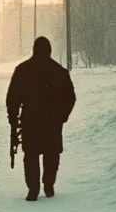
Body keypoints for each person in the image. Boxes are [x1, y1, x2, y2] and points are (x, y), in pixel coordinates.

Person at [6, 36, 76, 201]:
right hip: (53, 121)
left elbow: (12, 98)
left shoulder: (23, 70)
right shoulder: (59, 71)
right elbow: (70, 98)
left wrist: (13, 119)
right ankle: (49, 185)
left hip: (30, 119)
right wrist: (62, 116)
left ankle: (33, 189)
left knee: (31, 154)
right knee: (52, 154)